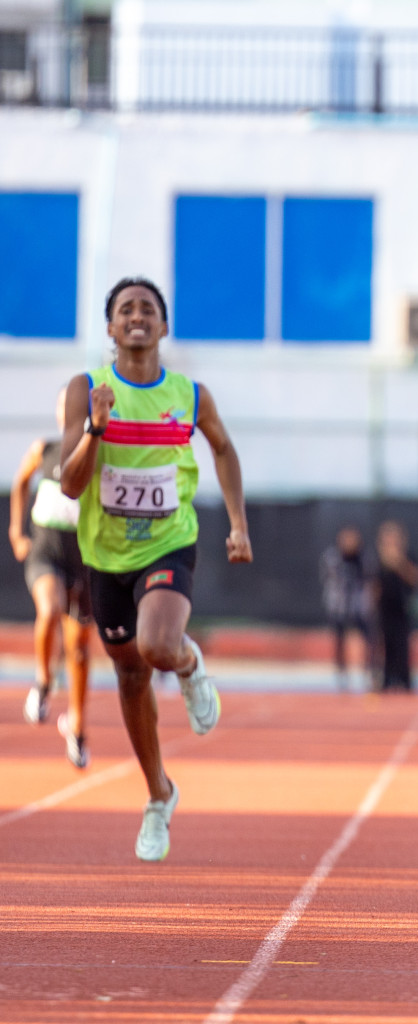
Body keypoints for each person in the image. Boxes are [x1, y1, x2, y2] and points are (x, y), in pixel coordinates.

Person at [59, 276, 252, 861]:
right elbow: (70, 485)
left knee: (159, 647)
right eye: (125, 309)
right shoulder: (86, 389)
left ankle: (189, 664)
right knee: (129, 676)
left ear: (163, 327)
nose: (137, 315)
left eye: (148, 308)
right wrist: (96, 427)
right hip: (105, 555)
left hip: (169, 542)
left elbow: (222, 447)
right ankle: (159, 794)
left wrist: (239, 523)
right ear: (111, 329)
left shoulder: (191, 395)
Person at [10, 388, 94, 768]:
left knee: (78, 649)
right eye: (64, 406)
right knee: (50, 608)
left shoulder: (99, 456)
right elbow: (19, 483)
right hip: (45, 552)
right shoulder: (43, 449)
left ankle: (76, 726)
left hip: (87, 560)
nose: (68, 413)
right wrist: (16, 531)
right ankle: (43, 682)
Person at [373, 520, 418, 693]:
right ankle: (385, 680)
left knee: (403, 646)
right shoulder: (377, 559)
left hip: (403, 608)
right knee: (384, 646)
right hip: (384, 611)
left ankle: (405, 681)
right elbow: (373, 585)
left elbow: (417, 579)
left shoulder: (408, 556)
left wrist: (399, 563)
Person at [320, 525, 370, 690]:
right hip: (339, 606)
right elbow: (330, 579)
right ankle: (342, 675)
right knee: (340, 642)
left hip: (358, 606)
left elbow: (369, 579)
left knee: (368, 640)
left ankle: (368, 673)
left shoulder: (364, 559)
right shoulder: (332, 557)